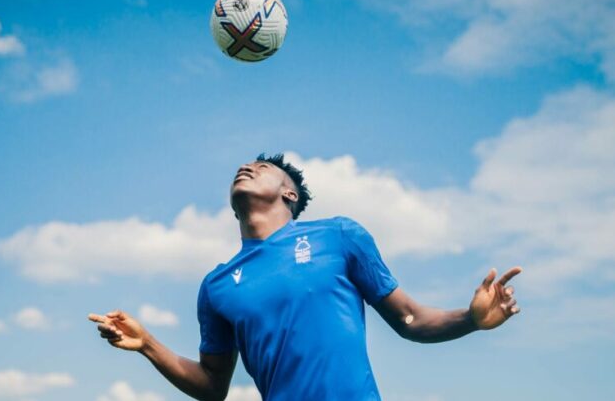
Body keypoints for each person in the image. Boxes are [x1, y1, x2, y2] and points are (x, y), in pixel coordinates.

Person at [89, 153, 522, 401]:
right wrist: (148, 344)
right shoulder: (217, 285)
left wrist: (471, 318)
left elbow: (410, 320)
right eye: (243, 167)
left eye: (260, 167)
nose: (246, 167)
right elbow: (212, 386)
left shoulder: (338, 235)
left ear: (289, 194)